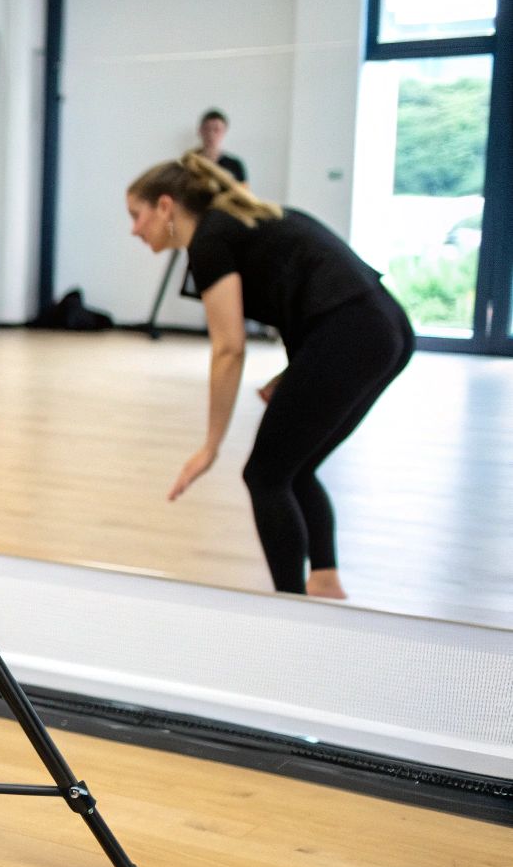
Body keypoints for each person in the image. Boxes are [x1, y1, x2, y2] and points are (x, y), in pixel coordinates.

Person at [126, 153, 414, 598]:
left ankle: (290, 607)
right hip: (386, 328)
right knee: (295, 468)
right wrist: (291, 374)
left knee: (264, 475)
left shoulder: (210, 239)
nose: (134, 229)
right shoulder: (238, 223)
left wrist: (210, 446)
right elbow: (306, 295)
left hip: (354, 333)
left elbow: (228, 348)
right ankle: (324, 582)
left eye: (136, 215)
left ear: (165, 206)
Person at [195, 108, 247, 185]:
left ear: (224, 131)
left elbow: (244, 194)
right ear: (200, 130)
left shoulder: (235, 165)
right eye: (207, 129)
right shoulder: (189, 163)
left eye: (216, 129)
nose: (211, 134)